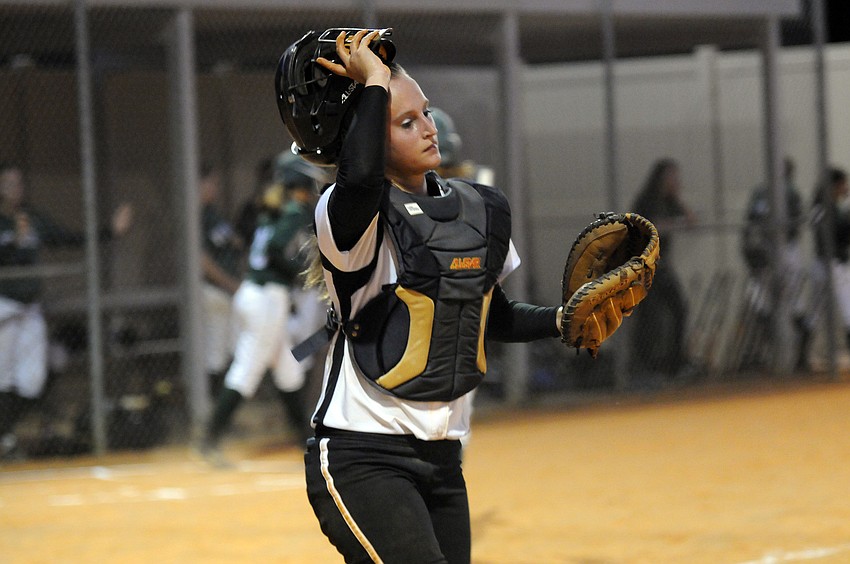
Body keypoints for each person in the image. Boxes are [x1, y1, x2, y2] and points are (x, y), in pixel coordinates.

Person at [277, 29, 563, 563]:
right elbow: (360, 179)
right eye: (406, 123)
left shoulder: (475, 211)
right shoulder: (345, 217)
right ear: (366, 138)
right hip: (363, 457)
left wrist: (565, 320)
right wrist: (375, 80)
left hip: (442, 459)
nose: (430, 130)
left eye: (426, 114)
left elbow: (492, 315)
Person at [0, 162, 133, 459]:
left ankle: (4, 434)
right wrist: (13, 245)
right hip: (2, 306)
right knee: (3, 378)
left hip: (30, 308)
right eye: (7, 184)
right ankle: (6, 441)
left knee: (32, 381)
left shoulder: (31, 218)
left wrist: (109, 231)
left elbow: (67, 238)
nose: (15, 189)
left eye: (18, 183)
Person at [195, 158, 321, 469]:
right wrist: (301, 274)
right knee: (248, 369)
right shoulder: (291, 211)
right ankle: (209, 439)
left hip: (258, 295)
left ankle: (307, 441)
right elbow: (276, 248)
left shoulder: (272, 207)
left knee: (288, 369)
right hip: (267, 298)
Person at [629, 158, 697, 381]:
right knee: (649, 317)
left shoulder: (670, 201)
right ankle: (644, 367)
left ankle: (674, 364)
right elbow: (649, 227)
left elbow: (690, 221)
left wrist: (678, 198)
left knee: (679, 309)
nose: (675, 182)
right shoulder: (646, 200)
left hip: (663, 267)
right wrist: (667, 225)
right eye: (672, 177)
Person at [740, 157, 810, 370]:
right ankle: (784, 356)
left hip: (784, 251)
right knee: (763, 301)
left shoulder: (789, 192)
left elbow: (793, 225)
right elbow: (751, 221)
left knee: (782, 301)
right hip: (769, 250)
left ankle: (795, 356)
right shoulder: (762, 192)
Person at [199, 163, 244, 392]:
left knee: (231, 350)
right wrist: (230, 284)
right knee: (215, 353)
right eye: (211, 183)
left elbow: (235, 242)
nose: (215, 188)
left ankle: (222, 408)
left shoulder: (212, 214)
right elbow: (201, 261)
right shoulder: (196, 216)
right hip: (212, 290)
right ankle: (212, 410)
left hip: (227, 292)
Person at [802, 166, 850, 366]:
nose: (845, 188)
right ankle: (801, 357)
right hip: (833, 266)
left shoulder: (819, 204)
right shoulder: (829, 207)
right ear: (835, 185)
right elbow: (840, 232)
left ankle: (800, 357)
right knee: (848, 309)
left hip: (820, 264)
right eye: (843, 184)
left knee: (815, 314)